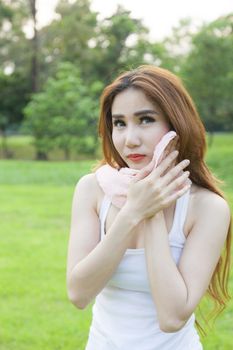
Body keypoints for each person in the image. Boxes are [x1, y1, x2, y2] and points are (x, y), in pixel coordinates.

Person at [66, 65, 232, 350]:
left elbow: (172, 316)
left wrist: (152, 210)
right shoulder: (92, 190)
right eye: (119, 123)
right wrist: (132, 212)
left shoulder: (208, 208)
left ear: (176, 127)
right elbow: (78, 293)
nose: (130, 139)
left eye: (145, 120)